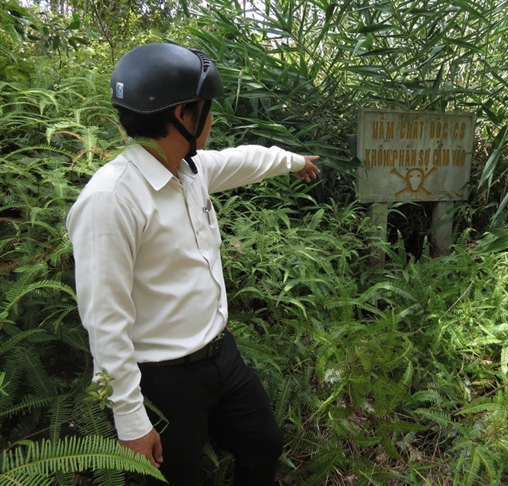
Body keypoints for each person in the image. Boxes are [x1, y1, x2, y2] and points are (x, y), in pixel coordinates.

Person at [66, 42, 320, 486]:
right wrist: (130, 421)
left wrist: (292, 161)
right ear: (183, 114)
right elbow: (103, 321)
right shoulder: (112, 200)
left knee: (262, 443)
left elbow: (242, 160)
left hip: (222, 358)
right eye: (207, 108)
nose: (213, 118)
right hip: (161, 382)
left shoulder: (188, 170)